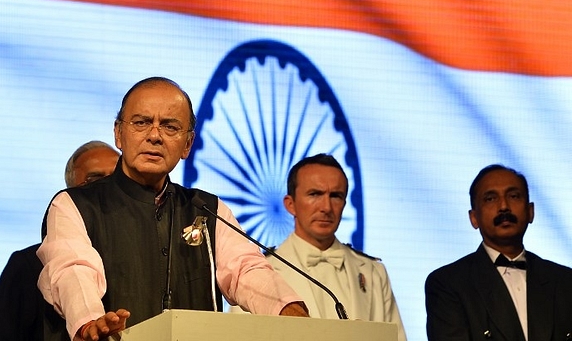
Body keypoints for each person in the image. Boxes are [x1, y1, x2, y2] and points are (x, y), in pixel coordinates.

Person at [37, 77, 309, 341]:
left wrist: (287, 309)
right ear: (119, 134)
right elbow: (71, 270)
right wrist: (89, 322)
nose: (155, 136)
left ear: (187, 145)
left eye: (170, 127)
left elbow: (246, 269)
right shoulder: (74, 204)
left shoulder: (207, 209)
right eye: (141, 123)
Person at [246, 153, 406, 341]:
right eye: (315, 194)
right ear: (291, 204)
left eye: (336, 196)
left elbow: (396, 337)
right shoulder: (260, 272)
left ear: (345, 204)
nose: (326, 207)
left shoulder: (373, 272)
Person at [0, 141, 120, 341]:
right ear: (71, 191)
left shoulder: (144, 254)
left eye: (116, 179)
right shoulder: (26, 265)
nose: (107, 188)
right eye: (95, 179)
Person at [425, 164, 572, 341]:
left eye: (513, 196)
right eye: (490, 199)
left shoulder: (565, 282)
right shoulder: (448, 283)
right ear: (474, 218)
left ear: (530, 211)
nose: (504, 206)